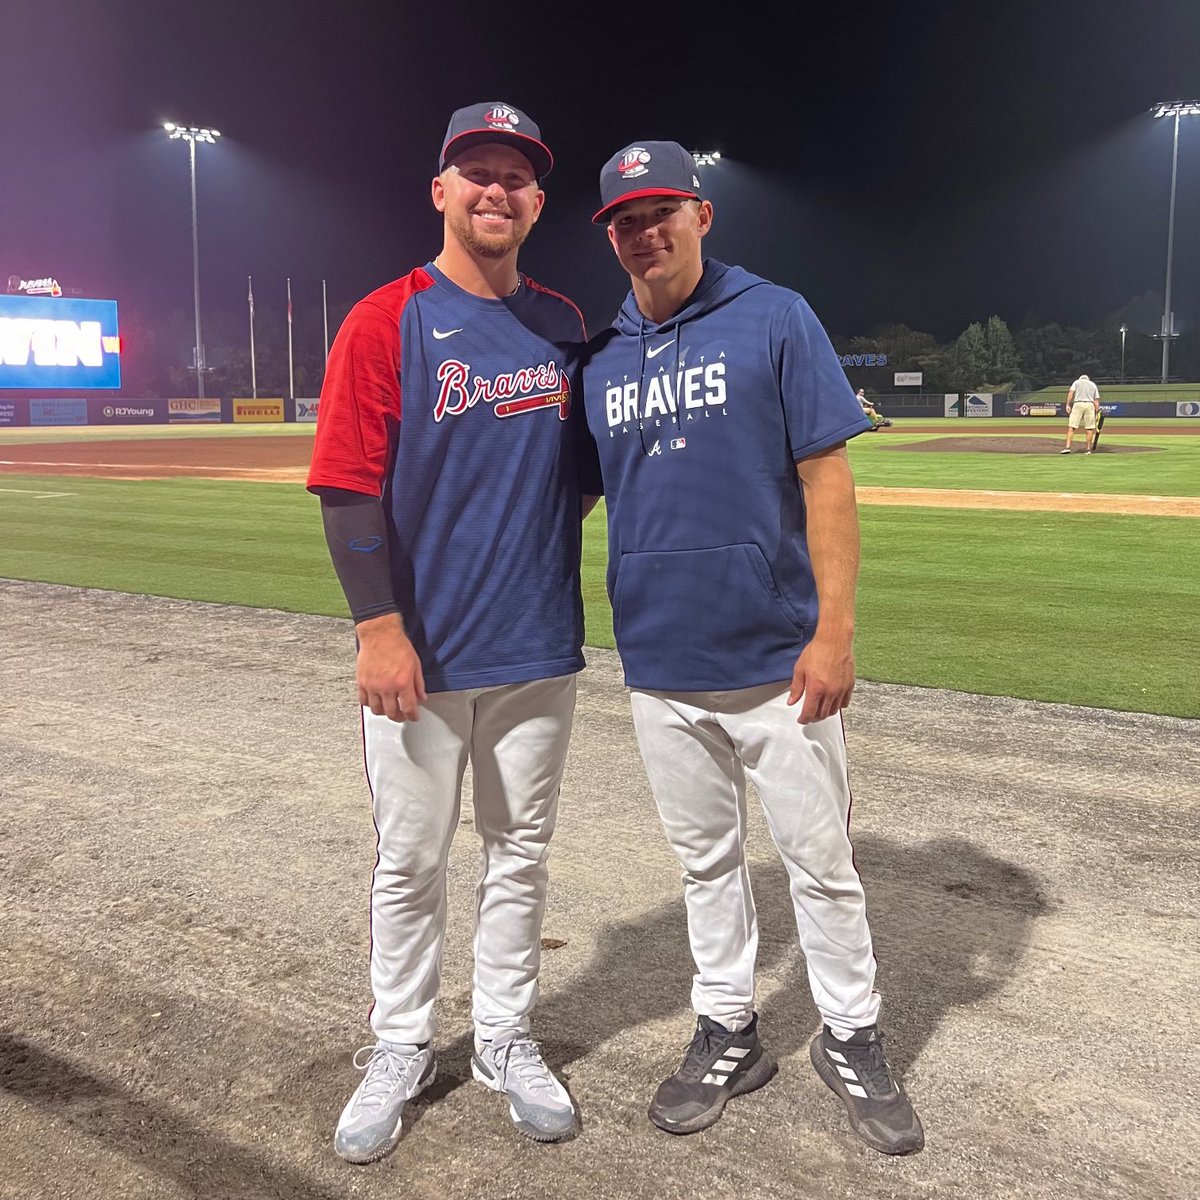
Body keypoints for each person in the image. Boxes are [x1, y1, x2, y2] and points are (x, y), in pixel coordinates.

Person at [580, 141, 924, 1156]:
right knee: (706, 865)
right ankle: (731, 1028)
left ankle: (852, 1034)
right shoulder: (600, 356)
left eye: (662, 211)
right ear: (609, 236)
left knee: (821, 867)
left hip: (780, 664)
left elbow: (827, 479)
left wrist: (835, 631)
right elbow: (570, 493)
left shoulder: (775, 316)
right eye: (625, 220)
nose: (646, 232)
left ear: (702, 214)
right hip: (658, 662)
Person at [307, 101, 597, 1163]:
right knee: (411, 861)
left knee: (520, 855)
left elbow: (579, 480)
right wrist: (377, 628)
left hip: (537, 651)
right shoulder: (388, 318)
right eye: (475, 171)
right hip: (417, 660)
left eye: (515, 176)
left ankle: (505, 1036)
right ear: (440, 190)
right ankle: (400, 1044)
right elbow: (345, 487)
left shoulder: (565, 324)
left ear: (537, 201)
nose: (495, 190)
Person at [1061, 373, 1101, 453]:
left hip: (1078, 404)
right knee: (1089, 429)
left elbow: (1071, 393)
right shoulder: (1093, 385)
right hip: (1089, 405)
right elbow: (1096, 400)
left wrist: (1068, 404)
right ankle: (1088, 449)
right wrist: (1097, 411)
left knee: (1072, 427)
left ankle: (1067, 447)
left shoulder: (1076, 382)